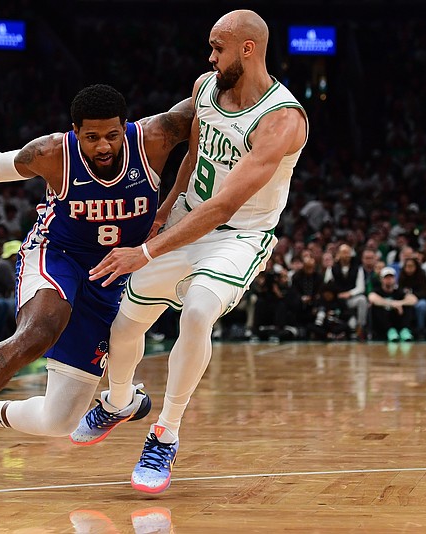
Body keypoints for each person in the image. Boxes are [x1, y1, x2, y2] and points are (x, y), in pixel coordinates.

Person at [0, 84, 194, 478]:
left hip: (113, 271)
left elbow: (209, 98)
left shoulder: (156, 136)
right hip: (57, 254)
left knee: (60, 420)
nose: (103, 146)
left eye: (112, 135)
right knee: (39, 330)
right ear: (74, 131)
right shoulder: (53, 152)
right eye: (91, 137)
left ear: (126, 127)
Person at [72, 10, 308, 493]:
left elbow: (223, 207)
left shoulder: (282, 119)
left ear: (248, 48)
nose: (210, 55)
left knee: (198, 312)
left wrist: (147, 250)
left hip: (239, 234)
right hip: (186, 216)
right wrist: (162, 212)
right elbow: (193, 157)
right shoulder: (205, 88)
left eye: (218, 47)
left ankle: (166, 433)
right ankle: (118, 401)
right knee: (125, 322)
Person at [368, 266, 417, 342]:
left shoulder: (399, 291)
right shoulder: (377, 290)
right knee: (376, 307)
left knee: (408, 306)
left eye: (391, 277)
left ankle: (404, 330)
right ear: (381, 279)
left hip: (397, 318)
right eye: (386, 277)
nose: (389, 280)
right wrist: (392, 304)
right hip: (383, 322)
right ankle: (390, 331)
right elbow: (372, 298)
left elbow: (413, 299)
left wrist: (399, 303)